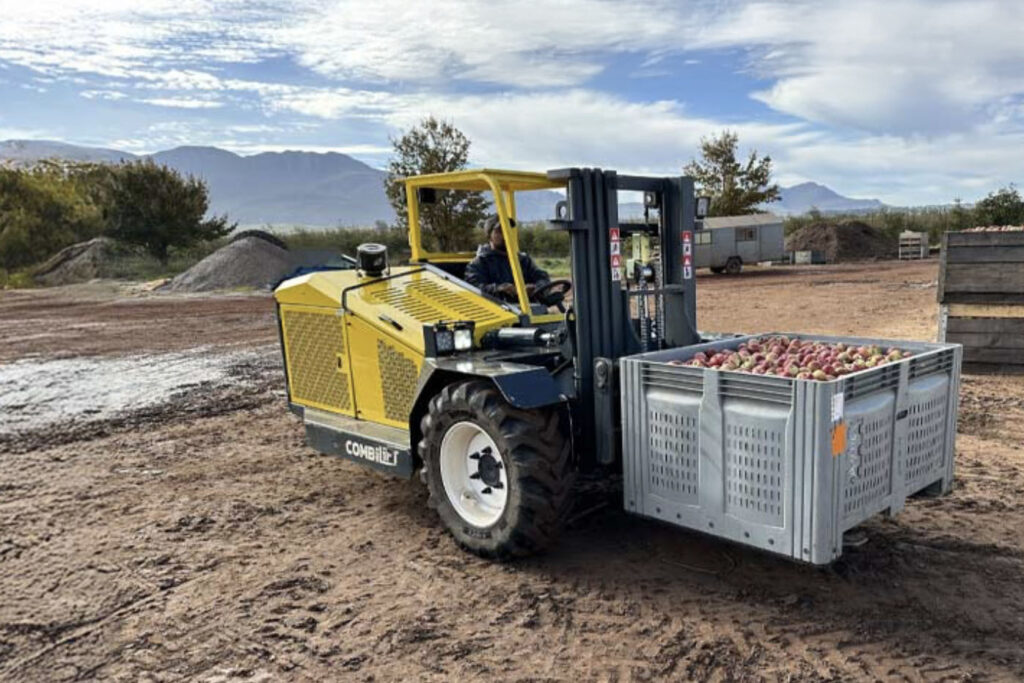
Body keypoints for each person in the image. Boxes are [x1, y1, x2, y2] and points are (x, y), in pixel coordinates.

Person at [465, 215, 550, 301]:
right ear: (489, 235)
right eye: (500, 231)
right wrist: (498, 289)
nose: (506, 234)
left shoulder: (523, 260)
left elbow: (542, 278)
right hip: (497, 310)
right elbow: (473, 288)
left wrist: (535, 287)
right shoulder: (480, 263)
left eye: (508, 230)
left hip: (529, 309)